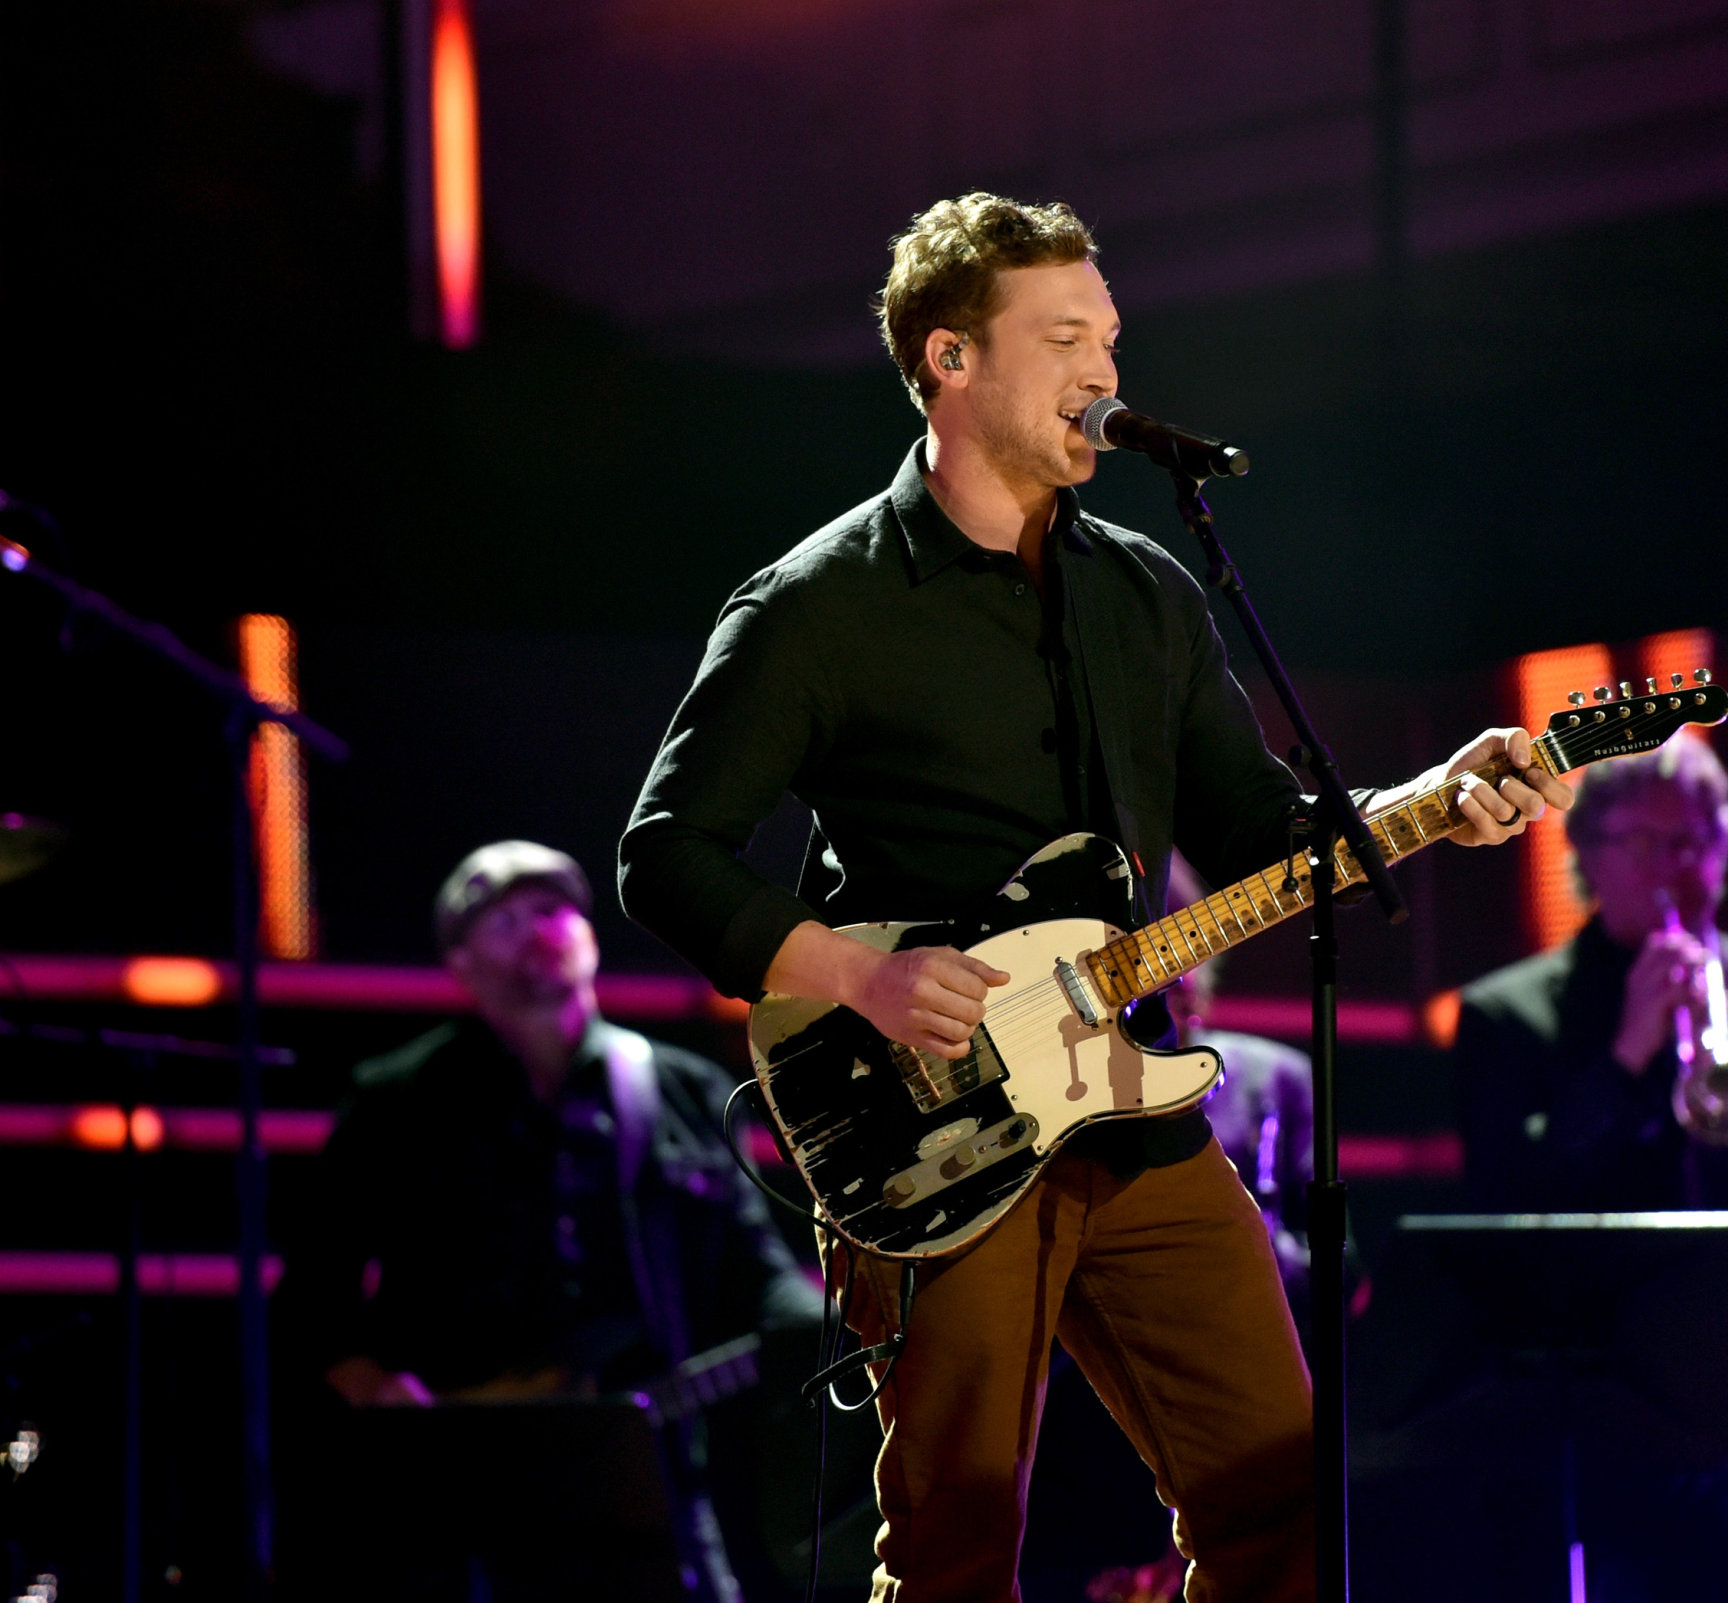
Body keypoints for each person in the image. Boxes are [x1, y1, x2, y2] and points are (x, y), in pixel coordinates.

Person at [618, 191, 1571, 1603]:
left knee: (1281, 1489)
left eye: (1111, 338)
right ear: (950, 360)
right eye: (1064, 337)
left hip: (1130, 1107)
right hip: (925, 1123)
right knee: (956, 1540)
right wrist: (859, 974)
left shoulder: (1147, 593)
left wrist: (1433, 798)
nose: (1107, 374)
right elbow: (666, 853)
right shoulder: (815, 606)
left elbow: (1259, 829)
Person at [280, 840, 825, 1602]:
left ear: (591, 937)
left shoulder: (680, 1087)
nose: (535, 927)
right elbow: (311, 1298)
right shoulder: (396, 1100)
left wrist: (826, 1325)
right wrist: (377, 1388)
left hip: (646, 1468)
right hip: (458, 1484)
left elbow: (756, 1271)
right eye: (502, 919)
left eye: (551, 909)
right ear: (460, 962)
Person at [1450, 738, 1728, 1603]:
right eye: (1648, 842)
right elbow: (1505, 1203)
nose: (1676, 865)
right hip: (1595, 1408)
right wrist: (1624, 1057)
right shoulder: (1511, 1013)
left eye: (1696, 840)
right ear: (1588, 855)